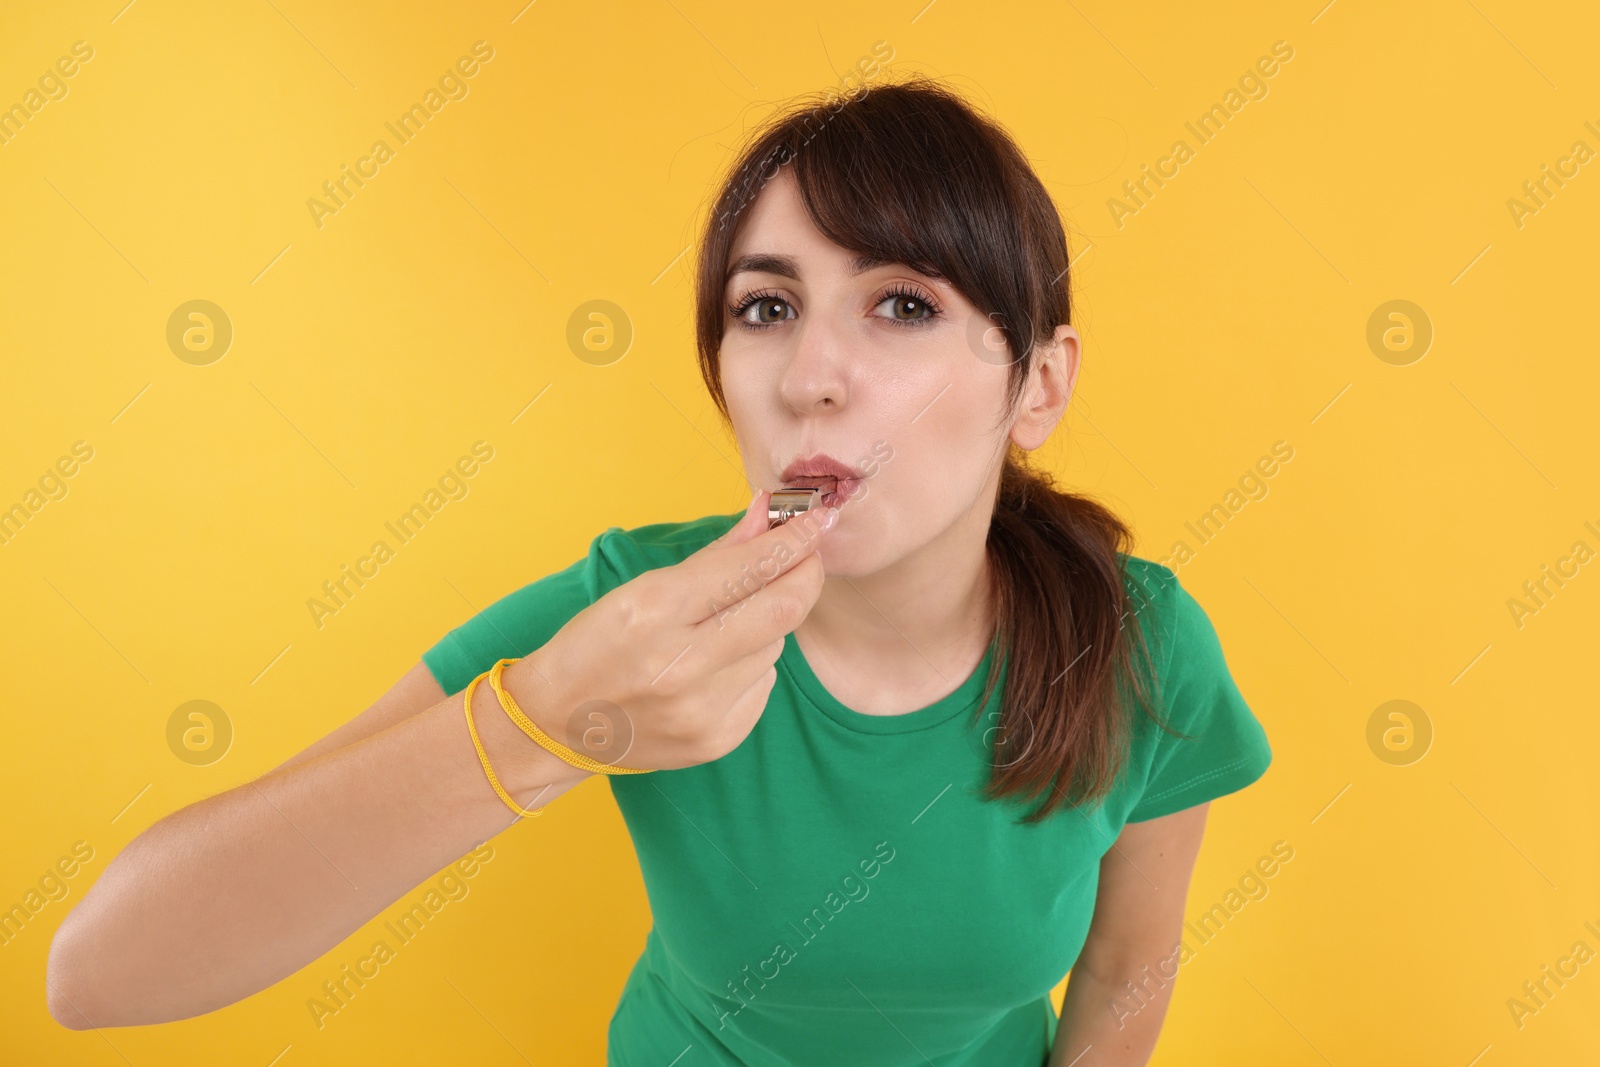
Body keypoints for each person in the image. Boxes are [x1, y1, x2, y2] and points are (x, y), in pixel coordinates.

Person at [46, 75, 1272, 1067]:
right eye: (764, 308)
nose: (809, 377)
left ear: (1038, 385)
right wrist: (547, 719)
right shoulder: (628, 612)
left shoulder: (1146, 646)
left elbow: (1126, 967)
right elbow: (98, 969)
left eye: (901, 305)